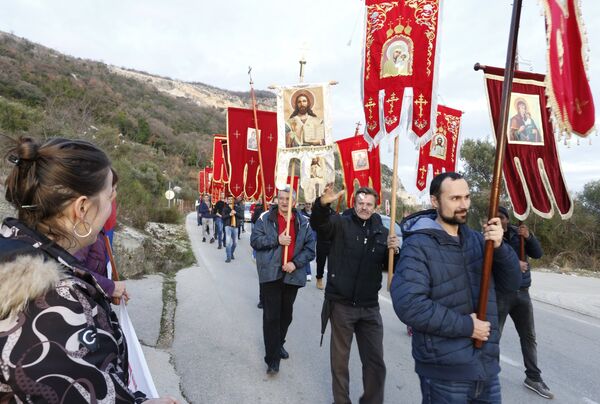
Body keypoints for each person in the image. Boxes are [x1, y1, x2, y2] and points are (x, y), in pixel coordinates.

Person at [0, 137, 177, 404]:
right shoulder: (56, 306)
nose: (110, 209)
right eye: (109, 198)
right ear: (82, 208)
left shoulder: (13, 246)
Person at [391, 172, 521, 403]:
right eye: (455, 199)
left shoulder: (478, 241)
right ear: (435, 201)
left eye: (467, 197)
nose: (464, 205)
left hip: (486, 369)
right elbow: (409, 306)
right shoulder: (418, 245)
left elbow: (512, 284)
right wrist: (467, 326)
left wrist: (500, 247)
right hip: (444, 372)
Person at [310, 185, 400, 404]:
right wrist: (322, 204)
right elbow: (319, 224)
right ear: (354, 203)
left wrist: (395, 252)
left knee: (375, 363)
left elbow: (391, 267)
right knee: (340, 362)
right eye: (360, 203)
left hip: (370, 307)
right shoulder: (340, 223)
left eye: (369, 204)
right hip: (342, 305)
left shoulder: (382, 230)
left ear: (375, 206)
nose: (364, 208)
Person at [250, 187, 315, 374]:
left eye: (288, 198)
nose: (284, 201)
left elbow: (310, 249)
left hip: (292, 274)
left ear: (294, 201)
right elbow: (255, 241)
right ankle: (272, 358)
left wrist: (295, 263)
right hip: (270, 274)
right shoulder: (265, 218)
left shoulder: (303, 223)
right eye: (281, 198)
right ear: (277, 199)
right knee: (272, 316)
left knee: (286, 315)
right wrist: (277, 240)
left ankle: (278, 344)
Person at [496, 206, 553, 399]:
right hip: (500, 294)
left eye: (502, 217)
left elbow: (537, 254)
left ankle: (533, 378)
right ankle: (488, 373)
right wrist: (513, 263)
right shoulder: (487, 236)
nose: (500, 221)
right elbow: (487, 262)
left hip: (522, 293)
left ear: (508, 219)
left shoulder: (518, 233)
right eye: (496, 218)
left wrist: (529, 237)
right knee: (493, 337)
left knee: (529, 337)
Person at [222, 195, 243, 263]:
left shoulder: (237, 208)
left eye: (232, 199)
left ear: (233, 200)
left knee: (235, 243)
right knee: (228, 243)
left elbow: (241, 217)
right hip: (227, 226)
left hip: (235, 227)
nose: (230, 200)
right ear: (227, 200)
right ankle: (228, 257)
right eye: (229, 199)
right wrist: (229, 215)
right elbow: (223, 217)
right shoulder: (225, 208)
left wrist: (235, 213)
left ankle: (231, 252)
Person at [299, 202, 315, 282]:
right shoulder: (301, 213)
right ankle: (307, 272)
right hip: (303, 235)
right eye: (306, 204)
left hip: (313, 235)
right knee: (303, 252)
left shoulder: (315, 213)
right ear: (304, 205)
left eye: (309, 204)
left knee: (309, 252)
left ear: (311, 205)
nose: (308, 205)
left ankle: (307, 272)